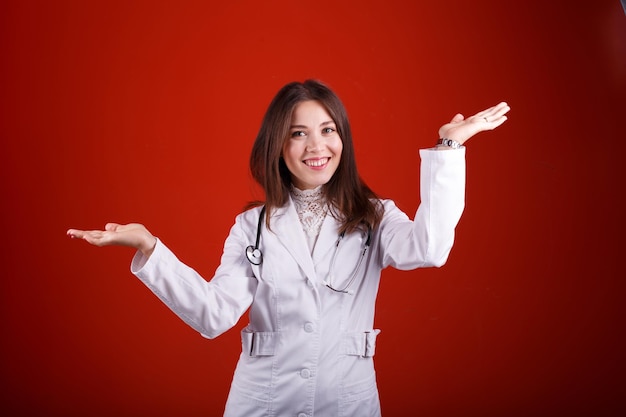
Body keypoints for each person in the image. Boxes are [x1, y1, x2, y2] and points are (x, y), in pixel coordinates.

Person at [67, 79, 510, 417]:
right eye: (298, 134)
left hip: (347, 400)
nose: (316, 146)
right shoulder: (252, 226)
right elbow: (212, 315)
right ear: (279, 146)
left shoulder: (374, 216)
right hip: (263, 400)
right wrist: (149, 246)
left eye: (327, 130)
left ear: (343, 139)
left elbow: (430, 248)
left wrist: (448, 147)